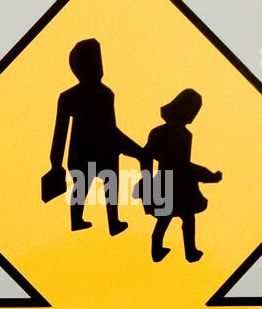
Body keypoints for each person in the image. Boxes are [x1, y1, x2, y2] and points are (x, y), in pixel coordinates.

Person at [47, 38, 144, 235]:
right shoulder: (70, 97)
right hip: (88, 152)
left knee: (108, 184)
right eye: (95, 60)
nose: (99, 65)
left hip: (104, 151)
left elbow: (111, 128)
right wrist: (55, 163)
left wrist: (134, 150)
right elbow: (61, 131)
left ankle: (112, 221)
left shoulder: (106, 93)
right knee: (82, 185)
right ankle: (78, 220)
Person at [138, 88, 221, 262]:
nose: (193, 115)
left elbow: (184, 164)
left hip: (184, 185)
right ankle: (157, 247)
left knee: (187, 217)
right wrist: (147, 182)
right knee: (166, 216)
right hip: (166, 183)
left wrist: (208, 176)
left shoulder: (186, 135)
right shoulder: (159, 133)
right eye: (191, 109)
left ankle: (190, 250)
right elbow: (147, 156)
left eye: (195, 111)